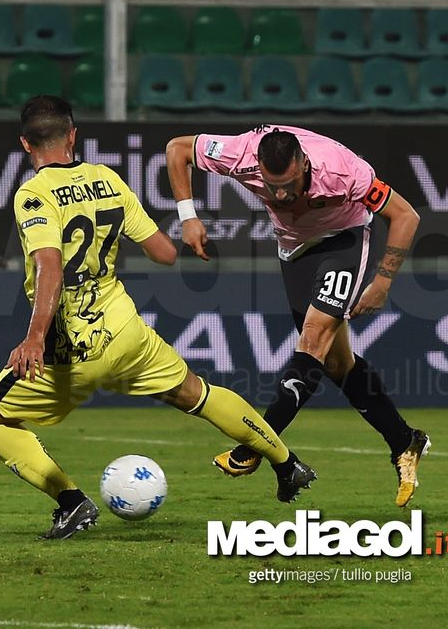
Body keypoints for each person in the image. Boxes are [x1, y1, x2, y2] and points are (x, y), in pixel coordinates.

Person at [0, 98, 315, 540]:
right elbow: (164, 253)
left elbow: (49, 267)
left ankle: (72, 502)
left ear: (24, 144)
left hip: (71, 346)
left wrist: (35, 337)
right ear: (73, 135)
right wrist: (187, 229)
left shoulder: (32, 194)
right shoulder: (107, 179)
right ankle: (288, 464)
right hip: (126, 328)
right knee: (197, 393)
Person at [165, 125, 430, 507]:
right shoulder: (239, 153)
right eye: (274, 186)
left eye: (291, 182)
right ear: (257, 166)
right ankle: (405, 441)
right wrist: (188, 216)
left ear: (304, 163)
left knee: (313, 340)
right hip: (293, 251)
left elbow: (405, 215)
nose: (284, 193)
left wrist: (382, 281)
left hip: (344, 240)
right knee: (337, 363)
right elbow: (178, 149)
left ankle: (257, 444)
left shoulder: (342, 171)